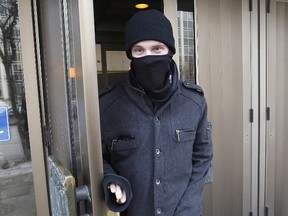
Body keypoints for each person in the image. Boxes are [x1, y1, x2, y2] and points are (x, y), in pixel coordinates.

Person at [100, 9, 213, 216]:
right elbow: (98, 157)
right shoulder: (108, 105)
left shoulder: (194, 102)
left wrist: (189, 207)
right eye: (139, 50)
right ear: (130, 54)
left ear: (170, 51)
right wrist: (111, 177)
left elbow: (203, 157)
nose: (149, 57)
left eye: (157, 48)